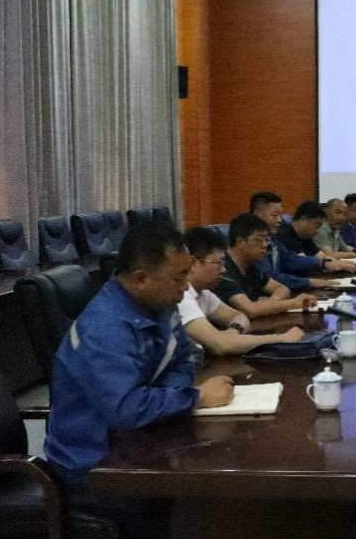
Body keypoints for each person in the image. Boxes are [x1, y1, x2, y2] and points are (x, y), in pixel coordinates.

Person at [44, 223, 234, 536]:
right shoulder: (105, 327)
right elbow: (125, 409)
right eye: (178, 278)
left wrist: (167, 396)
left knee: (213, 487)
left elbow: (185, 358)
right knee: (203, 504)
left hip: (139, 442)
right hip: (94, 466)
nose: (185, 287)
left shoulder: (159, 304)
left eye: (186, 274)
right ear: (141, 279)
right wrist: (196, 397)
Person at [181, 226, 305, 355]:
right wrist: (282, 338)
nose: (223, 270)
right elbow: (221, 345)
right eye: (219, 263)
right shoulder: (182, 296)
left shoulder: (204, 293)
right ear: (193, 263)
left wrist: (232, 333)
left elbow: (239, 316)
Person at [213, 213, 317, 320]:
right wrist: (293, 303)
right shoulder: (221, 269)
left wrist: (271, 302)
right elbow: (250, 310)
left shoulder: (250, 264)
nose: (265, 245)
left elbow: (282, 288)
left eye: (266, 240)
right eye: (259, 240)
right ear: (241, 242)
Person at [249, 191, 350, 291]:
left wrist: (322, 263)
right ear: (257, 213)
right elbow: (271, 277)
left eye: (280, 215)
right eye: (274, 215)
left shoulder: (272, 238)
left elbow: (289, 259)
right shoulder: (253, 242)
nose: (279, 220)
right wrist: (309, 282)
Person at [275, 200, 356, 275]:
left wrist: (339, 263)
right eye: (316, 226)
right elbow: (296, 263)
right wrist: (326, 264)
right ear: (304, 219)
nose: (317, 231)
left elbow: (320, 255)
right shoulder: (283, 236)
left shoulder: (305, 237)